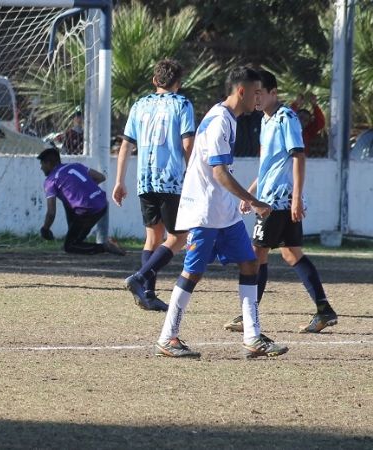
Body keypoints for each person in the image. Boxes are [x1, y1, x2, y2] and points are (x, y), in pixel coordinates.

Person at [150, 66, 288, 359]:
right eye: (256, 92)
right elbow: (219, 173)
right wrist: (254, 201)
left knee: (249, 264)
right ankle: (167, 337)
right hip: (205, 212)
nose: (259, 98)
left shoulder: (230, 118)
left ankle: (252, 337)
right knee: (193, 272)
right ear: (242, 91)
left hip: (224, 212)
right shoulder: (219, 122)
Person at [223, 70, 338, 334]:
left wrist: (296, 197)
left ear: (274, 93)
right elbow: (269, 165)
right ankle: (324, 309)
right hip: (270, 197)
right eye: (255, 93)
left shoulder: (287, 118)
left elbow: (298, 156)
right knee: (291, 253)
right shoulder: (265, 120)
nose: (257, 97)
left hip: (277, 201)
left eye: (261, 92)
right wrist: (251, 192)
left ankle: (247, 314)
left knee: (255, 255)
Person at [113, 59, 195, 312]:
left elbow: (126, 144)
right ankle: (139, 278)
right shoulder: (182, 104)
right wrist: (194, 174)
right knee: (179, 237)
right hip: (170, 180)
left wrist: (119, 181)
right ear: (178, 84)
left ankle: (147, 294)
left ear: (154, 80)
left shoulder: (140, 105)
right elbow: (188, 144)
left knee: (153, 236)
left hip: (144, 179)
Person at [38, 147, 126, 256]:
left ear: (49, 163)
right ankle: (78, 241)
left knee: (69, 246)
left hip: (87, 211)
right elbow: (101, 177)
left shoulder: (51, 180)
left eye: (42, 164)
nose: (41, 168)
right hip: (102, 204)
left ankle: (104, 246)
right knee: (70, 207)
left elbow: (51, 213)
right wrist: (84, 191)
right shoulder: (75, 166)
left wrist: (45, 229)